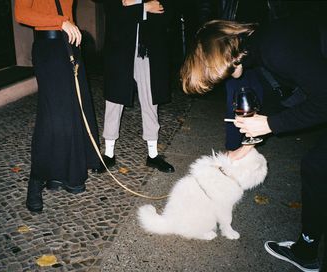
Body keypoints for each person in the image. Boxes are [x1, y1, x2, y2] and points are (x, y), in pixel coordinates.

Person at [180, 18, 326, 272]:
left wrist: (272, 124)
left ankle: (306, 249)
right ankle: (307, 250)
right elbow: (291, 99)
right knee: (316, 166)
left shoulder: (276, 47)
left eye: (217, 76)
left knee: (317, 166)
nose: (222, 81)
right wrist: (246, 146)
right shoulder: (257, 51)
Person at [15, 0, 100, 212]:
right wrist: (61, 22)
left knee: (73, 113)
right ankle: (36, 180)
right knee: (51, 117)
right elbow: (22, 14)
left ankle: (64, 174)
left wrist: (69, 28)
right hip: (49, 50)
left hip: (68, 47)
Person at [93, 0, 175, 174]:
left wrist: (133, 7)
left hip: (148, 48)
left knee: (150, 100)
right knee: (114, 101)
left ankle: (153, 155)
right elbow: (113, 10)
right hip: (120, 47)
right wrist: (144, 7)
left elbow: (165, 10)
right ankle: (109, 154)